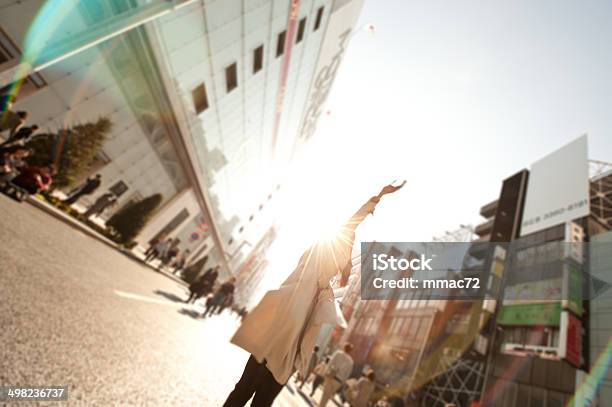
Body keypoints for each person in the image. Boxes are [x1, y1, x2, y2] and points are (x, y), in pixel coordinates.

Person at [223, 182, 405, 407]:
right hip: (279, 349)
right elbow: (350, 226)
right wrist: (377, 197)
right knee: (250, 395)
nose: (346, 253)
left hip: (283, 352)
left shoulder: (319, 292)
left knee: (248, 395)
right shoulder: (310, 280)